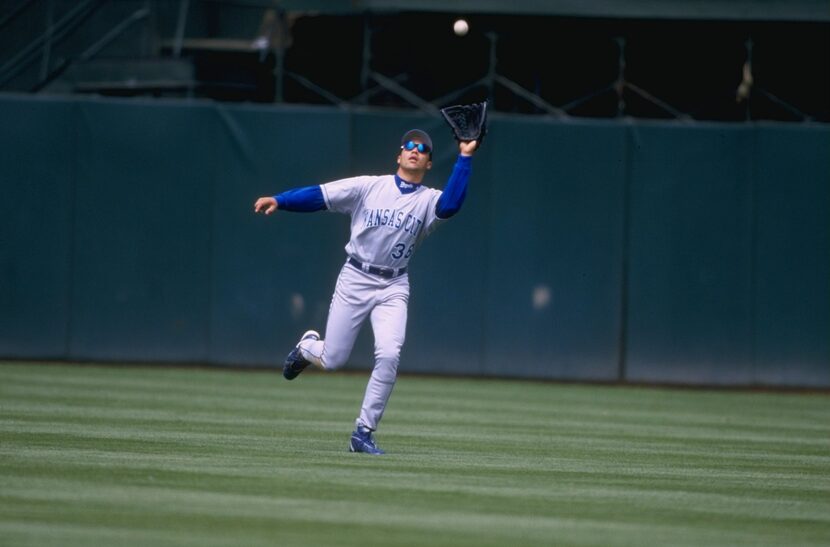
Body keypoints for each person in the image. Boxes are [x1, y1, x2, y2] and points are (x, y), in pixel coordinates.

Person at [254, 129, 477, 454]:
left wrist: (465, 157)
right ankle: (307, 349)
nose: (415, 150)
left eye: (423, 149)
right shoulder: (369, 187)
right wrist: (281, 200)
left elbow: (453, 203)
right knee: (333, 360)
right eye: (410, 146)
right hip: (356, 277)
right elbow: (320, 196)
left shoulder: (429, 200)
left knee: (389, 354)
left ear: (428, 162)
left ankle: (363, 433)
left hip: (394, 285)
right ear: (399, 155)